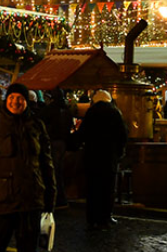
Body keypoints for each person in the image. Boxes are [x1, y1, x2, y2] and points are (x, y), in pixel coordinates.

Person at [0, 83, 55, 252]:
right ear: (6, 100)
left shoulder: (36, 125)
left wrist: (50, 196)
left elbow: (46, 163)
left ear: (26, 102)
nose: (16, 102)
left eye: (20, 98)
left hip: (31, 201)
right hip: (1, 202)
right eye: (12, 98)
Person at [73, 90, 128, 230]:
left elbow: (82, 134)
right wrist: (119, 153)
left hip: (92, 156)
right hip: (109, 157)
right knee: (108, 188)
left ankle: (92, 218)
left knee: (92, 188)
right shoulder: (116, 113)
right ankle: (105, 217)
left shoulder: (90, 113)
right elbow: (123, 135)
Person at [41, 88, 73, 208]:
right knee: (58, 170)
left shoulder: (49, 110)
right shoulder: (66, 109)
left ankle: (57, 198)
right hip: (63, 141)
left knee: (53, 171)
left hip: (53, 141)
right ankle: (61, 198)